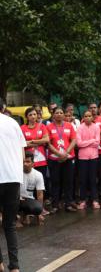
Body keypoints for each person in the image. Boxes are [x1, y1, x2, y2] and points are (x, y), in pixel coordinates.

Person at [0, 97, 26, 272]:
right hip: (12, 178)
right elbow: (23, 154)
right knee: (9, 224)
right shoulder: (13, 123)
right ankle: (14, 266)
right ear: (3, 107)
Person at [46, 107, 77, 213]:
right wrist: (59, 154)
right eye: (57, 113)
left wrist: (66, 153)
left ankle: (68, 204)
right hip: (54, 158)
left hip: (68, 158)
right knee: (55, 182)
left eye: (61, 112)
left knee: (68, 181)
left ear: (64, 114)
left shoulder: (69, 125)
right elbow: (48, 143)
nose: (59, 114)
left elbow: (74, 140)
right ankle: (55, 205)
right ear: (53, 115)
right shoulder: (49, 127)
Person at [20, 107, 49, 203]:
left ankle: (39, 207)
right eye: (30, 115)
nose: (33, 116)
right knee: (27, 184)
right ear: (27, 117)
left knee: (40, 184)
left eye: (34, 114)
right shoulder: (22, 128)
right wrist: (39, 142)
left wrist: (32, 141)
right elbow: (22, 143)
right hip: (28, 161)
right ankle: (28, 207)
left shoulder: (42, 126)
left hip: (41, 160)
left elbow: (46, 140)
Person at [76, 110, 101, 209]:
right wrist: (91, 141)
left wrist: (86, 142)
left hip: (94, 156)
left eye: (89, 116)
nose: (87, 118)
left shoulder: (96, 127)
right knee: (83, 179)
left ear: (92, 117)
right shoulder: (80, 128)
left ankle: (95, 200)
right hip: (82, 157)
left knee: (93, 179)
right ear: (83, 117)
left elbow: (97, 142)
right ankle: (83, 200)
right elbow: (79, 144)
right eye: (86, 116)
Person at [18, 152, 45, 226]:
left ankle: (25, 215)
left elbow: (40, 194)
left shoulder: (38, 174)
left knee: (38, 208)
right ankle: (16, 218)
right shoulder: (17, 172)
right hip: (16, 198)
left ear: (33, 163)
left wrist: (39, 213)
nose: (25, 164)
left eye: (28, 162)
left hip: (28, 200)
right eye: (23, 161)